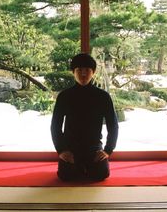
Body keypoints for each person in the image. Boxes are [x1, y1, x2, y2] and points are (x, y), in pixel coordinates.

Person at [50, 53, 119, 181]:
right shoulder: (64, 96)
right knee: (66, 176)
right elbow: (55, 126)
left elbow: (113, 125)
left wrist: (108, 150)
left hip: (93, 147)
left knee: (101, 175)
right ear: (73, 72)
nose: (83, 74)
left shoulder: (103, 96)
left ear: (93, 72)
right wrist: (61, 150)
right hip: (70, 148)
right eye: (79, 70)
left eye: (87, 70)